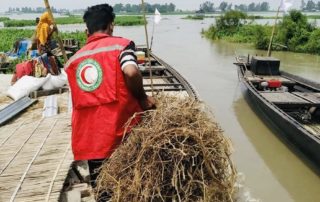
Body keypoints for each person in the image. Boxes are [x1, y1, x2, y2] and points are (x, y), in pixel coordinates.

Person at [64, 3, 156, 200]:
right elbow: (131, 71)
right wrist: (142, 98)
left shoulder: (73, 61)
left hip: (91, 142)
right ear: (111, 26)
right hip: (122, 137)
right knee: (131, 188)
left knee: (104, 193)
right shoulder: (121, 46)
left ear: (86, 31)